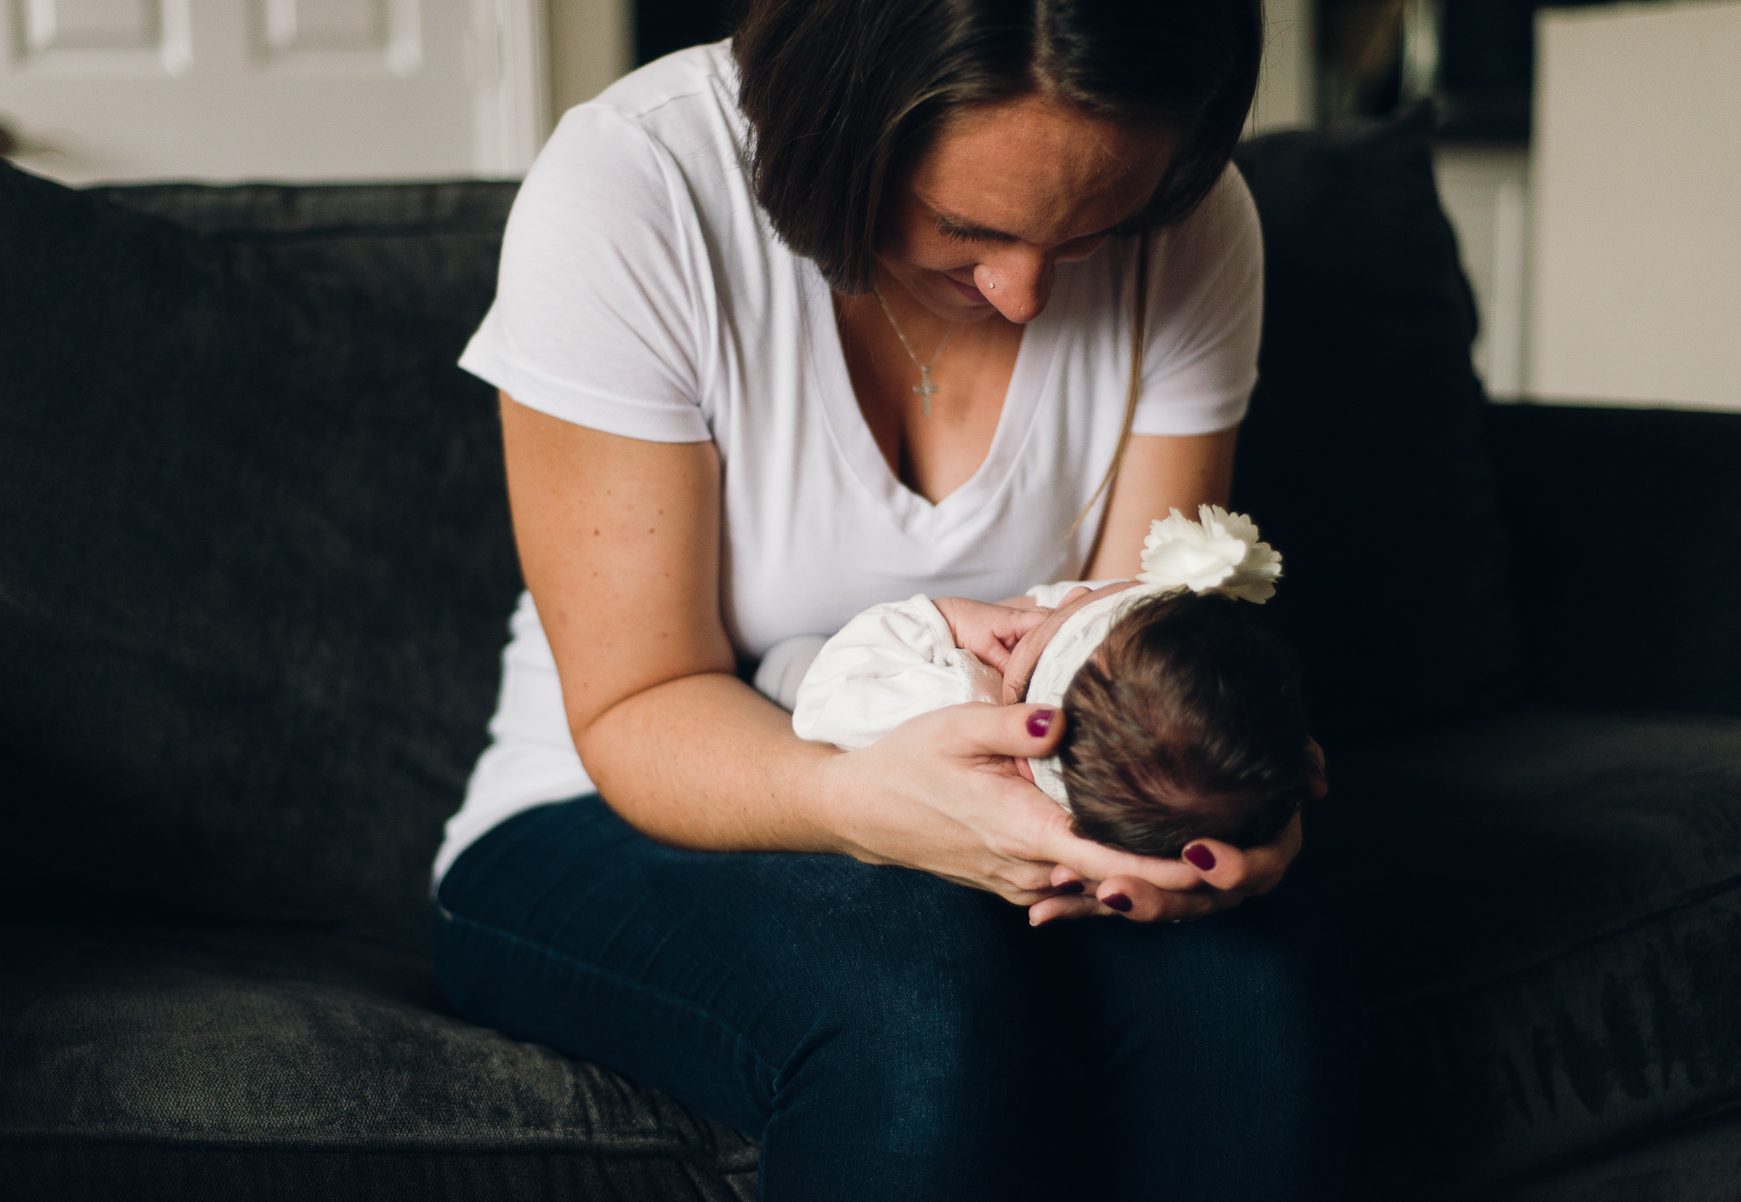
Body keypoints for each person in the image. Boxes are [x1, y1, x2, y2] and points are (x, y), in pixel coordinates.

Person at [431, 2, 1358, 1197]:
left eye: (1090, 235)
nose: (1026, 292)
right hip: (617, 796)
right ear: (838, 120)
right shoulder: (639, 185)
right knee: (917, 1006)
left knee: (1247, 998)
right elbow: (636, 701)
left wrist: (1210, 801)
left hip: (1037, 790)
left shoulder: (1195, 221)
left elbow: (1134, 643)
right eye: (965, 228)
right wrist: (855, 797)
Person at [776, 505, 1320, 860]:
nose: (1073, 595)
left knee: (790, 659)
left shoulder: (960, 702)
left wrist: (942, 619)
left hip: (804, 693)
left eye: (1062, 617)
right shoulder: (1112, 774)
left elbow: (826, 694)